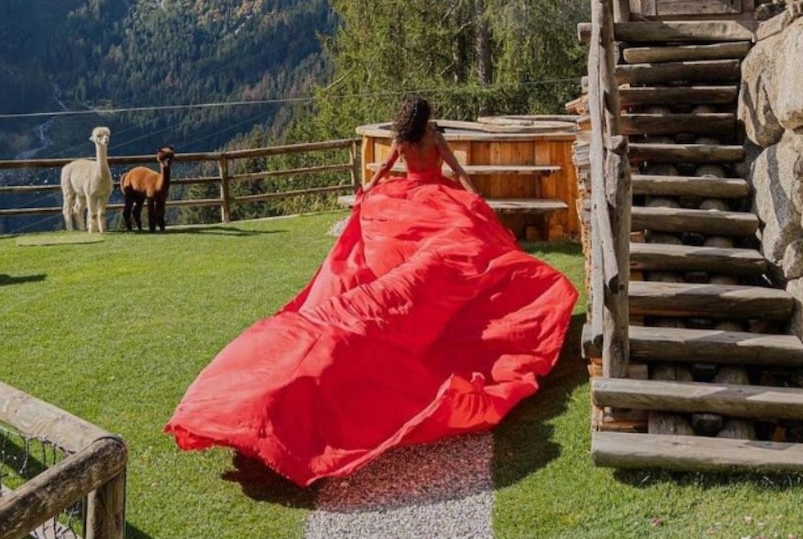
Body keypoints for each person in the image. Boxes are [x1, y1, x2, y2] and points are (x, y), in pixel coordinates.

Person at [164, 95, 578, 487]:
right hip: (437, 199)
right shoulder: (434, 139)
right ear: (426, 119)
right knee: (452, 262)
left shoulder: (403, 141)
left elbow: (383, 171)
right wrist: (475, 201)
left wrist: (367, 193)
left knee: (395, 274)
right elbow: (458, 173)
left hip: (405, 200)